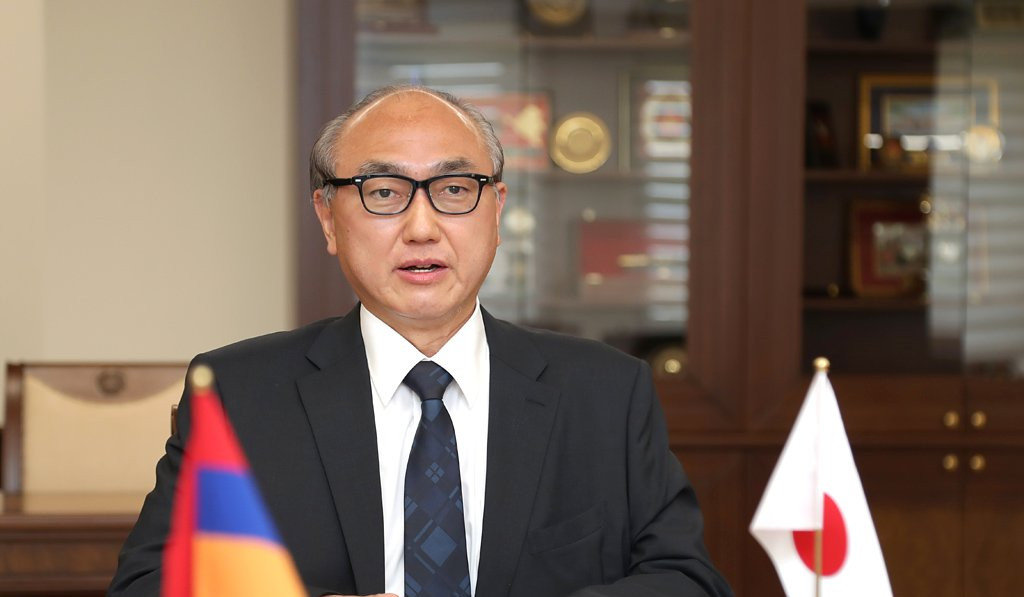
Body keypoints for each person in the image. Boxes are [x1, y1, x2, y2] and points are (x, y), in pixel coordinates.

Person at [108, 85, 733, 597]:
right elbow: (150, 585)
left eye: (455, 190)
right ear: (328, 218)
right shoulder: (241, 394)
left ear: (496, 211)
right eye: (384, 193)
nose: (422, 227)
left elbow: (687, 580)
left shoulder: (606, 391)